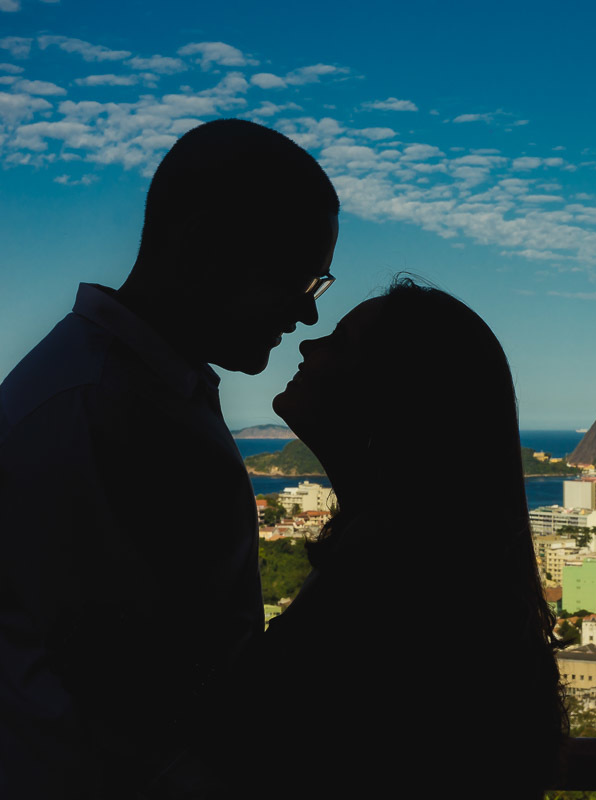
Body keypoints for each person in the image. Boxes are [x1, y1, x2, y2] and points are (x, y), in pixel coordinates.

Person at [0, 118, 340, 797]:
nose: (308, 316)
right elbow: (134, 713)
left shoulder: (129, 394)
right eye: (301, 280)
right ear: (208, 249)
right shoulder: (98, 410)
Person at [198, 279, 567, 798]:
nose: (308, 343)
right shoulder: (420, 563)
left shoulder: (391, 580)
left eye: (339, 342)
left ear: (392, 400)